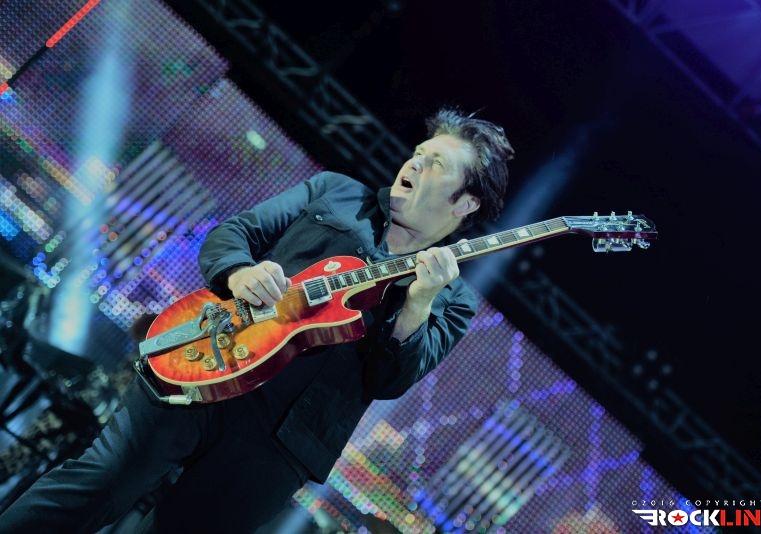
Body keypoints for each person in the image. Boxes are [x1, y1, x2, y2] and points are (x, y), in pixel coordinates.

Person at [0, 108, 514, 533]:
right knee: (96, 484)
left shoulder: (452, 300)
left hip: (280, 443)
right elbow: (233, 234)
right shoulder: (335, 192)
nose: (416, 161)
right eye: (419, 152)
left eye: (436, 163)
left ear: (465, 202)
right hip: (207, 363)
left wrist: (418, 303)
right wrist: (242, 273)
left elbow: (390, 381)